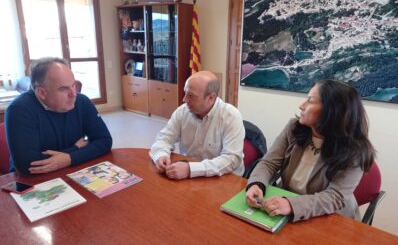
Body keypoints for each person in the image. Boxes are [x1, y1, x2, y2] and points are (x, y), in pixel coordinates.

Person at [246, 79, 375, 222]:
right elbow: (269, 163)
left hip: (330, 217)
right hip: (285, 209)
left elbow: (335, 197)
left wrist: (291, 205)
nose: (301, 106)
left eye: (310, 101)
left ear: (332, 111)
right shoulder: (293, 128)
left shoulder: (355, 150)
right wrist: (257, 184)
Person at [5, 57, 112, 175]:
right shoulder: (19, 109)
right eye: (63, 89)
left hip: (73, 171)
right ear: (42, 93)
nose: (73, 94)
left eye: (73, 85)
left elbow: (105, 141)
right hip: (32, 180)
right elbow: (28, 165)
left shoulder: (82, 101)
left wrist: (69, 158)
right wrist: (76, 149)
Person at [149, 71, 245, 179]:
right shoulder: (182, 112)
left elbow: (231, 159)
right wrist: (161, 155)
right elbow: (163, 139)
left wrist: (191, 169)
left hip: (223, 178)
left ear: (211, 98)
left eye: (191, 96)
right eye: (185, 93)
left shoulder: (231, 117)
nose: (184, 100)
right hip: (189, 176)